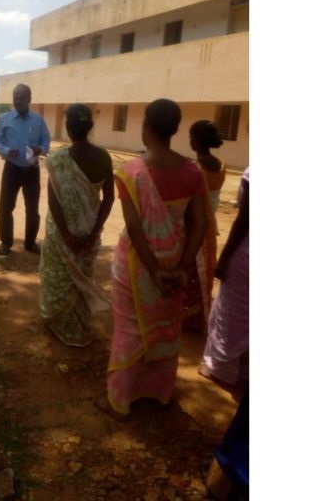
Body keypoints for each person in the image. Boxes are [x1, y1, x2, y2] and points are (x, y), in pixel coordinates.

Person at [97, 98, 209, 420]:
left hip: (137, 267)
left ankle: (120, 401)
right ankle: (160, 394)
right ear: (174, 129)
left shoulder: (131, 172)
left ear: (146, 127)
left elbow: (134, 229)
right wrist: (180, 267)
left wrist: (155, 270)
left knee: (129, 331)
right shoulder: (193, 172)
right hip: (176, 262)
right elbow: (199, 224)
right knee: (167, 328)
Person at [39, 104, 115, 347]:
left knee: (59, 277)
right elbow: (109, 199)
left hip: (61, 234)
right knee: (83, 277)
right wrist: (94, 232)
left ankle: (58, 322)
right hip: (90, 230)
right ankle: (80, 326)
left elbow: (53, 202)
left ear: (68, 128)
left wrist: (67, 235)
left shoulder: (57, 160)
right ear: (90, 126)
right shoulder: (104, 158)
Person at [200, 167, 249, 393]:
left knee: (233, 311)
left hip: (247, 253)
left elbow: (245, 219)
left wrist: (225, 257)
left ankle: (222, 369)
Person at [0, 84, 51, 256]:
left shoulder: (38, 120)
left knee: (32, 209)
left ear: (29, 100)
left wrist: (41, 149)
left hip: (32, 170)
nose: (17, 102)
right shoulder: (5, 119)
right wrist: (6, 151)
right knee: (6, 207)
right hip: (12, 168)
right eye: (15, 98)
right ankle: (5, 243)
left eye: (21, 98)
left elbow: (46, 140)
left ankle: (30, 243)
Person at [184, 120, 226, 330]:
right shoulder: (221, 165)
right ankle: (199, 316)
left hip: (194, 225)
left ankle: (189, 318)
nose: (189, 141)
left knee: (190, 270)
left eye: (191, 137)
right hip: (211, 225)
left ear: (197, 141)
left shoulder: (195, 169)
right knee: (204, 269)